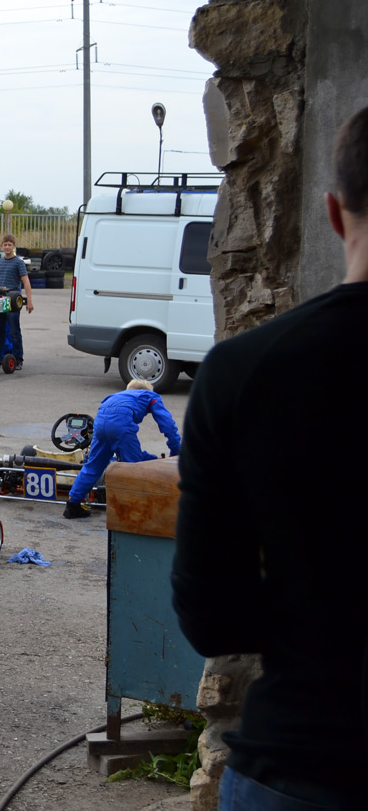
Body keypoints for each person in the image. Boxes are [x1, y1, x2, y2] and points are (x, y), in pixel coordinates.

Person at [172, 106, 368, 811]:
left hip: (301, 762)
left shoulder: (243, 372)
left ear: (334, 213)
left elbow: (211, 615)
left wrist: (309, 609)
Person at [62, 378, 180, 519]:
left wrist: (152, 459)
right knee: (134, 468)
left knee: (93, 466)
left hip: (100, 426)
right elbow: (168, 425)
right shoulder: (150, 395)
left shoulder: (114, 396)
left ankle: (72, 505)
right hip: (121, 426)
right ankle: (135, 510)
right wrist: (175, 451)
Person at [0, 234, 33, 368]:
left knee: (14, 331)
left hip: (12, 300)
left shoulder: (18, 262)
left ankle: (18, 359)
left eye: (9, 245)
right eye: (5, 245)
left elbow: (26, 282)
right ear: (1, 246)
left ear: (14, 246)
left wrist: (29, 301)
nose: (7, 247)